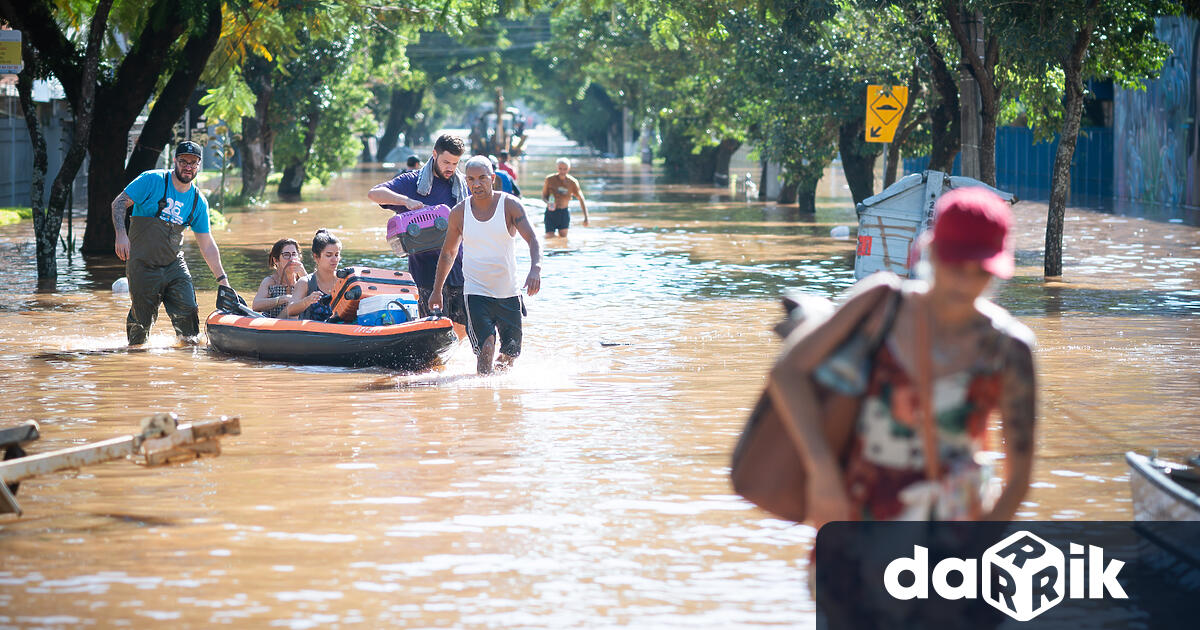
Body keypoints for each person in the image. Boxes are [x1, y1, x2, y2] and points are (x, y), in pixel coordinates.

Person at [767, 187, 1036, 528]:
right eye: (956, 265)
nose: (967, 283)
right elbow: (787, 373)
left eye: (981, 271)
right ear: (932, 252)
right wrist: (821, 471)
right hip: (858, 519)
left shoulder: (1011, 348)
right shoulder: (881, 304)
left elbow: (1019, 480)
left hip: (957, 532)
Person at [429, 156, 541, 374]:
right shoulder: (459, 213)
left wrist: (535, 268)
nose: (476, 184)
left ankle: (499, 394)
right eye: (471, 179)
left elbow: (533, 239)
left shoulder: (510, 205)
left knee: (511, 353)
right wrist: (436, 291)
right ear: (465, 181)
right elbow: (448, 254)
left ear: (492, 178)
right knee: (486, 347)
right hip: (475, 292)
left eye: (482, 178)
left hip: (508, 291)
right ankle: (483, 397)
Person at [111, 140, 230, 345]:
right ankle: (135, 358)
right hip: (142, 264)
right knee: (141, 322)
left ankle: (188, 358)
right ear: (175, 160)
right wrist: (121, 234)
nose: (188, 166)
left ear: (199, 165)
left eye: (193, 162)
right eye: (184, 161)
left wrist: (223, 280)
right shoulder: (152, 180)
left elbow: (207, 244)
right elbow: (119, 202)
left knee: (189, 312)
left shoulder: (197, 201)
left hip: (174, 265)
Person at [367, 134, 469, 326]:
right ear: (434, 154)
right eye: (446, 161)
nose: (450, 168)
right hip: (425, 275)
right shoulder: (411, 182)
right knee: (433, 328)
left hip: (460, 270)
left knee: (464, 327)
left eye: (455, 163)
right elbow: (374, 194)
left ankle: (455, 356)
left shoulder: (463, 186)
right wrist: (406, 201)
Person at [288, 229, 341, 321]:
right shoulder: (305, 283)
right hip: (314, 334)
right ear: (316, 257)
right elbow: (290, 310)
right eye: (329, 255)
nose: (334, 259)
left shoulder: (345, 280)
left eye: (336, 255)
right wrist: (307, 300)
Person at [252, 238, 306, 318]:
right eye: (286, 255)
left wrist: (304, 275)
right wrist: (282, 299)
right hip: (273, 324)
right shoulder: (270, 281)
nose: (291, 259)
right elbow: (256, 305)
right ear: (276, 260)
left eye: (294, 254)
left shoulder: (303, 279)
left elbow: (318, 300)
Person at [540, 157, 589, 237]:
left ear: (568, 169)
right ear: (557, 168)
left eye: (565, 169)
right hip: (551, 213)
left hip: (564, 213)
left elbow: (581, 199)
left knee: (563, 239)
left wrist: (586, 217)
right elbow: (543, 196)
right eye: (560, 168)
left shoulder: (572, 182)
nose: (562, 171)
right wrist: (548, 202)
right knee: (550, 237)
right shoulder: (549, 179)